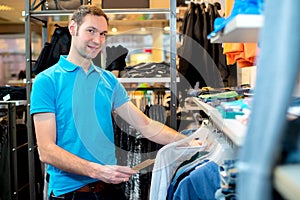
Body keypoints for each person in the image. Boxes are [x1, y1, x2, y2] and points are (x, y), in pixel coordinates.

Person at [30, 5, 201, 200]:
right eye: (91, 31)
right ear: (73, 28)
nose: (97, 40)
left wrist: (187, 141)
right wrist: (97, 171)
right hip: (72, 193)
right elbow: (46, 150)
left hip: (109, 188)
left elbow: (145, 124)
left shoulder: (108, 81)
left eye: (103, 34)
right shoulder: (47, 81)